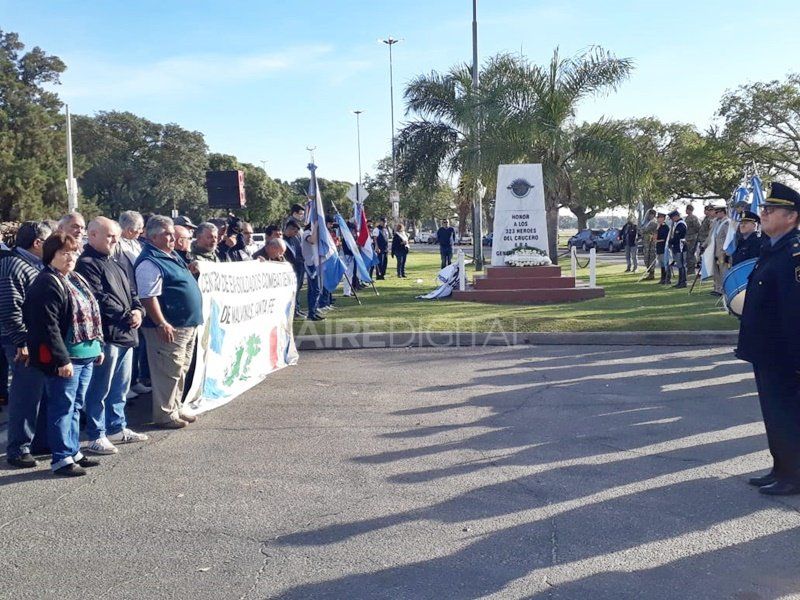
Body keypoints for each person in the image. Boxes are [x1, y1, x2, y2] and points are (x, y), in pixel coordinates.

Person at [736, 182, 800, 496]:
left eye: (770, 210)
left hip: (784, 352)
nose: (764, 213)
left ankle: (795, 474)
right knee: (773, 413)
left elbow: (795, 309)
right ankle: (781, 468)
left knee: (788, 414)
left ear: (792, 217)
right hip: (767, 349)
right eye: (764, 209)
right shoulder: (772, 246)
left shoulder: (794, 253)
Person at [24, 232, 104, 477]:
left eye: (73, 252)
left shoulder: (76, 278)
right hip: (67, 358)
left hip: (86, 353)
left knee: (76, 406)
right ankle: (61, 459)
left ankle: (72, 451)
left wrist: (97, 346)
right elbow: (48, 327)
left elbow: (91, 313)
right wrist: (62, 359)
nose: (70, 257)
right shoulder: (47, 282)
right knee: (62, 407)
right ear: (51, 255)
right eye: (64, 253)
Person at [77, 218, 148, 454]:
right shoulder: (86, 263)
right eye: (109, 236)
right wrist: (128, 315)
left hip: (126, 334)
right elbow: (98, 298)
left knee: (120, 387)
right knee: (100, 389)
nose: (114, 241)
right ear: (93, 235)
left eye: (116, 237)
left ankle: (117, 426)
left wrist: (138, 310)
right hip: (107, 336)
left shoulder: (117, 262)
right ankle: (96, 434)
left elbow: (132, 292)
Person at [134, 216, 203, 428]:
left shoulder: (170, 255)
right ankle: (165, 414)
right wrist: (161, 322)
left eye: (173, 233)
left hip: (185, 324)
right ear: (153, 236)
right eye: (167, 234)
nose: (172, 237)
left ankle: (176, 405)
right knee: (168, 370)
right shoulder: (149, 261)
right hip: (169, 326)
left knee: (181, 368)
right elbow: (147, 296)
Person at [0, 221, 52, 468]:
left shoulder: (35, 264)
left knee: (39, 391)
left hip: (37, 339)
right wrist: (21, 341)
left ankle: (38, 441)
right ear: (38, 243)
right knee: (25, 393)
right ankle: (18, 449)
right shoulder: (13, 264)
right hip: (22, 341)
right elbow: (10, 307)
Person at [115, 210, 151, 398]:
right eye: (138, 229)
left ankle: (135, 380)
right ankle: (125, 384)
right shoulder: (117, 246)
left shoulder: (136, 244)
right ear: (128, 230)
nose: (140, 233)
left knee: (139, 342)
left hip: (139, 299)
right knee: (129, 343)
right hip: (126, 298)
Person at [301, 221, 324, 321]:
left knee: (315, 289)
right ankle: (312, 312)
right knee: (315, 289)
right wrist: (315, 227)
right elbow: (312, 241)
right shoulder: (307, 233)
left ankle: (313, 311)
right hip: (310, 264)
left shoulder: (313, 232)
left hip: (315, 263)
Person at [283, 219, 306, 317]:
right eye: (295, 231)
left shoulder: (294, 239)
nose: (296, 234)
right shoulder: (283, 240)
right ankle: (293, 311)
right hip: (290, 268)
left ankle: (297, 308)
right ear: (289, 229)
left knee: (298, 289)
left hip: (299, 266)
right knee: (292, 290)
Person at [711, 205, 731, 296]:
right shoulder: (717, 222)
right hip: (716, 251)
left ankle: (725, 289)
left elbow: (728, 238)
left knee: (723, 271)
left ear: (723, 212)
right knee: (717, 272)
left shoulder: (727, 223)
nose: (716, 214)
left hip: (723, 252)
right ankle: (718, 289)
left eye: (718, 212)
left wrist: (727, 252)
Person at [668, 209, 688, 288]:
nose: (672, 220)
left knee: (681, 265)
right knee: (679, 265)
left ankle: (683, 282)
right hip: (678, 247)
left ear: (676, 216)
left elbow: (677, 237)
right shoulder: (678, 224)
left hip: (681, 247)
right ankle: (680, 281)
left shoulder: (681, 225)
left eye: (672, 218)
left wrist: (670, 241)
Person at [640, 209, 658, 280]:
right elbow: (641, 230)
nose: (649, 216)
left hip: (651, 243)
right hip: (646, 243)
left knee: (651, 258)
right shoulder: (647, 222)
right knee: (646, 258)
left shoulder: (653, 222)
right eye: (649, 214)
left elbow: (644, 230)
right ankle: (650, 273)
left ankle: (651, 274)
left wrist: (641, 230)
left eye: (651, 214)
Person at [684, 204, 701, 275]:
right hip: (687, 238)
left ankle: (692, 270)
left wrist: (694, 234)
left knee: (691, 254)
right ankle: (689, 270)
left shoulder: (693, 218)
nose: (686, 211)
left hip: (692, 238)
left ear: (689, 210)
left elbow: (698, 227)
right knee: (688, 255)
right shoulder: (687, 218)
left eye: (687, 209)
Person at [655, 213, 670, 285]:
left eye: (660, 218)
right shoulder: (659, 227)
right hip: (659, 247)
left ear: (663, 218)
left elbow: (664, 238)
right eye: (658, 218)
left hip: (664, 247)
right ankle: (662, 278)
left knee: (665, 263)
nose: (658, 219)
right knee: (661, 263)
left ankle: (667, 279)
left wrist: (657, 240)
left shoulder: (665, 227)